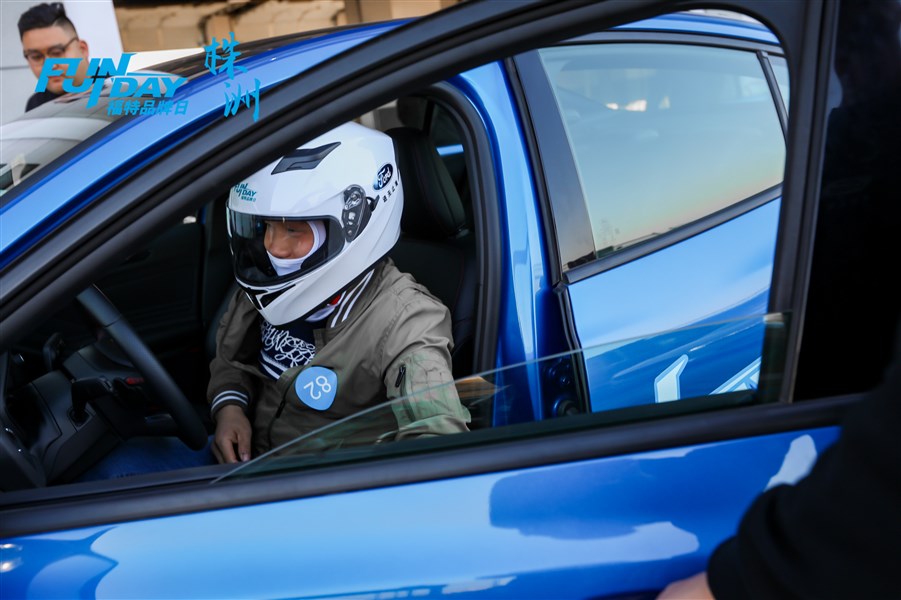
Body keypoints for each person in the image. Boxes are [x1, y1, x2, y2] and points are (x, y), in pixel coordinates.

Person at [209, 121, 471, 463]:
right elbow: (232, 359)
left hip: (319, 486)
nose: (274, 247)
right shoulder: (268, 283)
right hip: (243, 461)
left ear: (353, 222)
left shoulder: (407, 320)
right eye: (267, 227)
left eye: (293, 230)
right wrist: (229, 407)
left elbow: (436, 435)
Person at [18, 2, 90, 111]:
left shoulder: (115, 92)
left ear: (82, 49)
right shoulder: (36, 106)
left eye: (57, 53)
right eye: (36, 57)